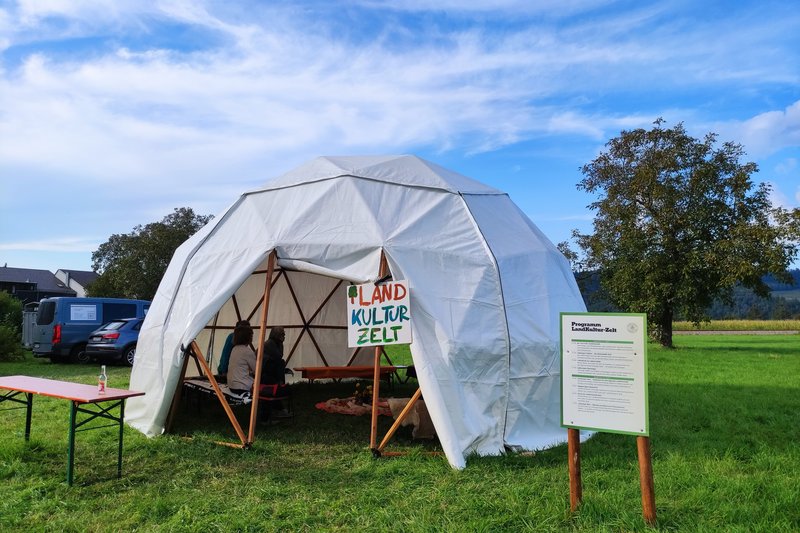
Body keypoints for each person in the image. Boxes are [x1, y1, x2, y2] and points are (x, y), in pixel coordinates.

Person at [261, 326, 292, 417]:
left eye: (284, 333)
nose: (284, 335)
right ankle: (279, 409)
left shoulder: (278, 344)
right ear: (276, 334)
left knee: (280, 364)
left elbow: (279, 357)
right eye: (282, 333)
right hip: (265, 372)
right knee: (275, 385)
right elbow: (278, 357)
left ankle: (279, 408)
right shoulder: (270, 343)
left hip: (270, 370)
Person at [226, 325, 256, 395]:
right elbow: (257, 371)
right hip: (242, 386)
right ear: (248, 337)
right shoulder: (247, 351)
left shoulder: (234, 349)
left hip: (231, 385)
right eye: (251, 335)